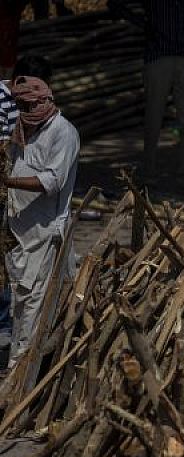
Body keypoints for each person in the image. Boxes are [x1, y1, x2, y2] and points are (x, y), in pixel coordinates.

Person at [1, 76, 79, 367]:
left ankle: (22, 373)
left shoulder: (63, 132)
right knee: (20, 302)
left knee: (35, 302)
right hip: (21, 230)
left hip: (45, 232)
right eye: (20, 105)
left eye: (29, 104)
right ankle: (16, 365)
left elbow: (52, 181)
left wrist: (7, 182)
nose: (25, 110)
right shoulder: (25, 129)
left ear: (46, 100)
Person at [110, 0, 184, 191]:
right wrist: (145, 25)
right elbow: (115, 5)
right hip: (158, 57)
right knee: (153, 119)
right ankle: (149, 174)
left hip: (183, 58)